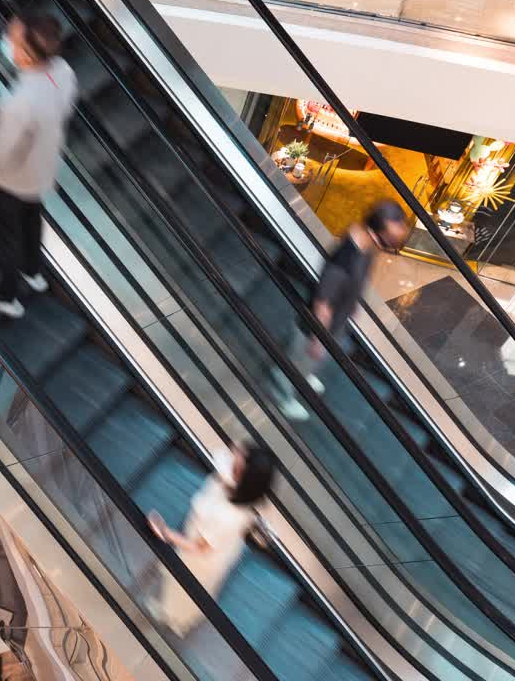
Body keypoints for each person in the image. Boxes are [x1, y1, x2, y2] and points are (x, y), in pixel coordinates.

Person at [0, 12, 78, 318]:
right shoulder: (62, 71)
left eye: (12, 39)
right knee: (31, 218)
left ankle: (6, 295)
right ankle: (32, 270)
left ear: (27, 55)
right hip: (42, 167)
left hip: (11, 180)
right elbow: (57, 109)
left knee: (8, 234)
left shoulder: (22, 102)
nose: (7, 41)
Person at [274, 200, 409, 420]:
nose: (389, 250)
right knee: (300, 361)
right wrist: (319, 341)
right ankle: (284, 394)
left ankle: (303, 372)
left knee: (310, 362)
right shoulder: (345, 260)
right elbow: (322, 304)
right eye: (389, 243)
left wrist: (351, 305)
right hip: (315, 330)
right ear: (375, 235)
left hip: (336, 322)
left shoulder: (366, 247)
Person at [145, 446, 275, 636]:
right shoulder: (236, 485)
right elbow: (224, 456)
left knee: (182, 591)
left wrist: (165, 532)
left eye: (238, 462)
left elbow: (200, 548)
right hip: (212, 539)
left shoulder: (229, 516)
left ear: (244, 477)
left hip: (203, 557)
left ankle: (173, 619)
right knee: (180, 585)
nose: (234, 456)